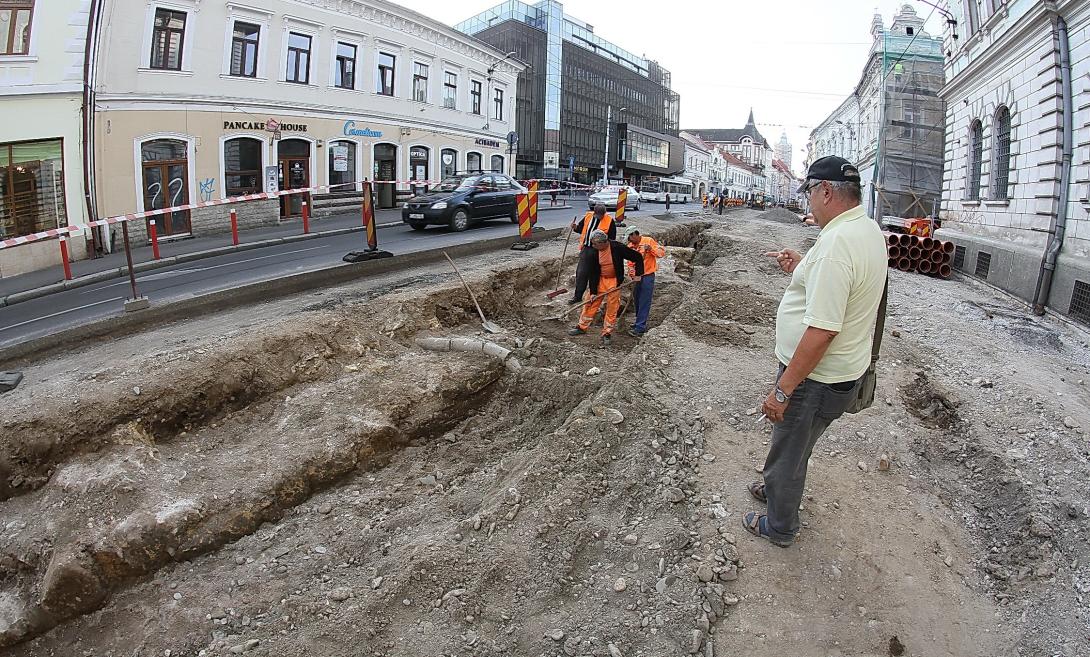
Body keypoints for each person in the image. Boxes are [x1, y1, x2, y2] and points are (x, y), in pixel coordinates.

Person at [743, 155, 887, 548]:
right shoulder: (865, 229)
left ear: (825, 191)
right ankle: (778, 490)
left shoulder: (837, 245)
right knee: (797, 445)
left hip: (813, 379)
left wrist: (783, 389)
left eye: (809, 193)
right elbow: (847, 283)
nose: (808, 201)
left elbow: (822, 330)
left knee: (788, 452)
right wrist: (805, 269)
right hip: (840, 374)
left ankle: (780, 526)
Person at [568, 230, 644, 346]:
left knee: (612, 307)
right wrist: (593, 291)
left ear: (603, 243)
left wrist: (638, 274)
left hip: (613, 281)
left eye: (595, 244)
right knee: (590, 303)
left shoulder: (617, 247)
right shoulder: (593, 252)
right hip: (599, 280)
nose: (592, 246)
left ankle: (607, 333)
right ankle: (582, 327)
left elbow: (637, 257)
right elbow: (592, 272)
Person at [622, 226, 665, 338]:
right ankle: (638, 322)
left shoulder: (648, 241)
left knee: (644, 301)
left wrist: (650, 249)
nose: (629, 241)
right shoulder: (630, 246)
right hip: (637, 277)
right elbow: (630, 264)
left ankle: (640, 327)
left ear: (635, 234)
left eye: (630, 238)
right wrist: (632, 275)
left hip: (647, 276)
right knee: (637, 300)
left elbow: (660, 254)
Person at [569, 204, 616, 304]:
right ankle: (578, 296)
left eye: (601, 215)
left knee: (595, 274)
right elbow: (581, 229)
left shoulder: (609, 221)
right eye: (598, 215)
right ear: (594, 213)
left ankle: (592, 296)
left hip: (600, 251)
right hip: (586, 249)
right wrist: (575, 227)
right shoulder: (588, 217)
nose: (600, 217)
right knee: (581, 273)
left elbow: (612, 238)